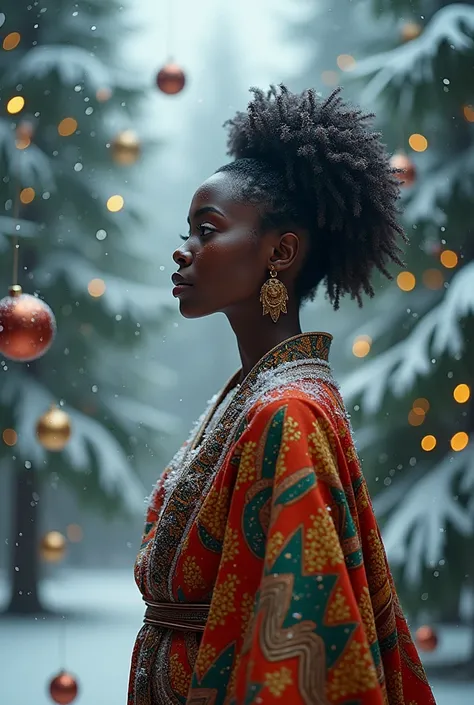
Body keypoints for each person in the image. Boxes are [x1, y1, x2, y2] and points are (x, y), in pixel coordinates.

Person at [128, 85, 436, 705]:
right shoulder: (254, 394)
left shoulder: (285, 410)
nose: (182, 250)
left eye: (206, 230)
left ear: (282, 251)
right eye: (187, 230)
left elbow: (303, 625)